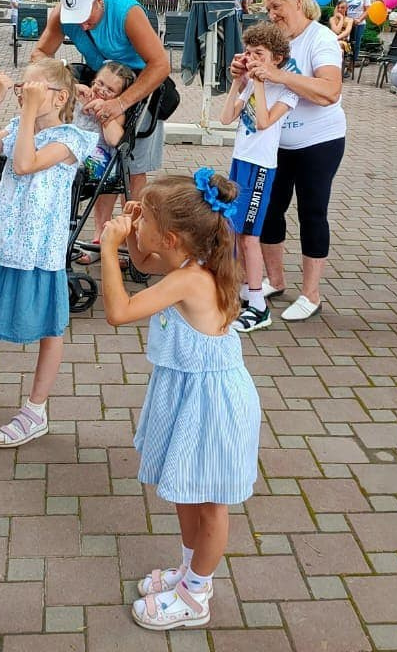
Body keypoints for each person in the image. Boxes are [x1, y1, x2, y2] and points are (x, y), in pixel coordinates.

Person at [99, 170, 260, 630]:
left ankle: (196, 595)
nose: (137, 224)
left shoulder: (191, 281)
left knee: (209, 503)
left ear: (171, 238)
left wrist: (109, 248)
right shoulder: (188, 266)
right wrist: (132, 239)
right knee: (188, 491)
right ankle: (190, 574)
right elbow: (148, 265)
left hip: (212, 405)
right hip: (195, 395)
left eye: (145, 220)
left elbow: (118, 311)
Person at [0, 58, 97, 446]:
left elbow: (24, 164)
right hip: (2, 243)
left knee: (50, 329)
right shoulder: (20, 126)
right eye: (24, 88)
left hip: (40, 251)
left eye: (34, 88)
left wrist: (32, 110)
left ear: (60, 96)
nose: (25, 93)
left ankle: (35, 411)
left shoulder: (71, 140)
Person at [231, 0, 346, 321]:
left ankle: (311, 294)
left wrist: (276, 75)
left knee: (312, 213)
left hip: (319, 142)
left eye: (277, 6)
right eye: (268, 8)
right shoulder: (276, 40)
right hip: (275, 144)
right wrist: (245, 71)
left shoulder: (320, 39)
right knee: (268, 212)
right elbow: (259, 80)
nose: (272, 13)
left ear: (298, 1)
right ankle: (276, 280)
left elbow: (330, 91)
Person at [31, 0, 170, 198]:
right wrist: (67, 81)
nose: (83, 26)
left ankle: (133, 230)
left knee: (131, 168)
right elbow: (40, 54)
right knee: (103, 159)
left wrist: (121, 103)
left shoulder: (126, 12)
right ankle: (102, 232)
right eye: (77, 21)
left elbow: (161, 65)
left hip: (140, 87)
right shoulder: (63, 13)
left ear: (98, 0)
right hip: (103, 81)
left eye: (88, 19)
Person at [220, 23, 299, 332]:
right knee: (235, 232)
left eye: (259, 54)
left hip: (261, 168)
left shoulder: (287, 89)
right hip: (240, 161)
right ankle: (243, 293)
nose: (251, 58)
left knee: (251, 237)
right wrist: (238, 83)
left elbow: (264, 121)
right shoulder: (251, 82)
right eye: (249, 52)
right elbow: (226, 117)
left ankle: (259, 306)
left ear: (276, 59)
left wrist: (261, 82)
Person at [71, 59, 137, 263]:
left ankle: (99, 240)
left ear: (118, 96)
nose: (101, 90)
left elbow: (115, 140)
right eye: (99, 83)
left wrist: (104, 113)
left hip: (99, 160)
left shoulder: (115, 112)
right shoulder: (79, 97)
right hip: (72, 151)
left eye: (110, 90)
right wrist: (73, 89)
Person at [336, 0, 371, 65]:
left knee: (355, 43)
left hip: (359, 23)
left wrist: (359, 19)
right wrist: (340, 18)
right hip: (345, 22)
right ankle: (341, 62)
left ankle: (352, 64)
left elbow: (368, 10)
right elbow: (339, 6)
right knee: (344, 42)